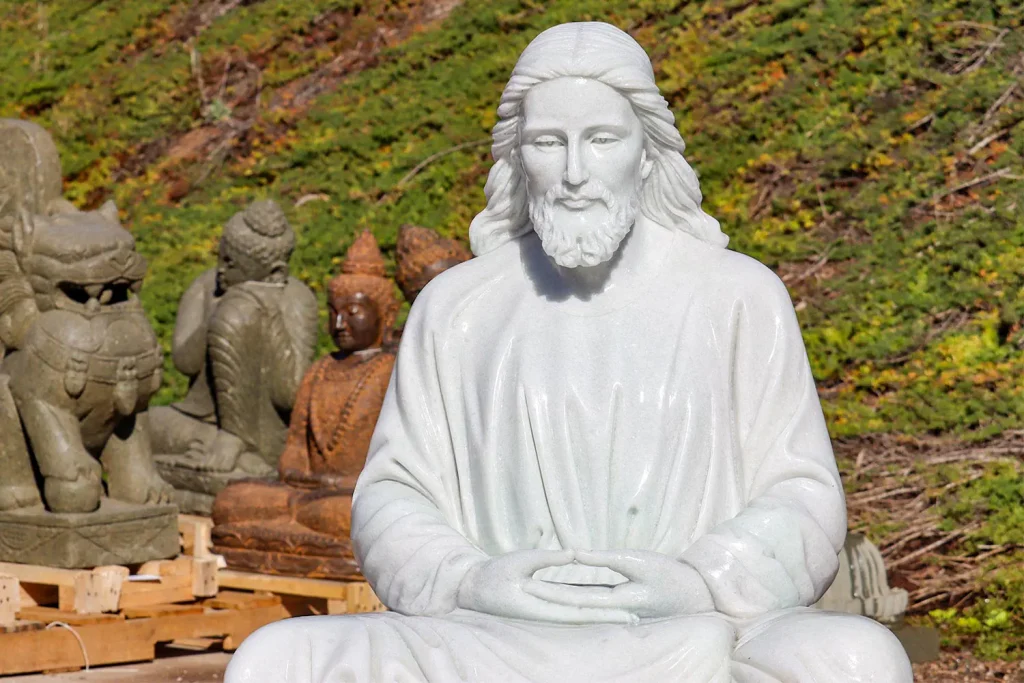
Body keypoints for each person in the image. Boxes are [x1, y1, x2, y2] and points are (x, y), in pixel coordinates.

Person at [226, 22, 913, 682]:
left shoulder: (738, 297)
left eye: (603, 138)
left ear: (646, 151)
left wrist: (701, 577)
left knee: (858, 660)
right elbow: (393, 496)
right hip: (491, 637)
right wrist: (470, 575)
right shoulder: (457, 308)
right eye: (550, 142)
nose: (576, 171)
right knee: (277, 661)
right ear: (517, 156)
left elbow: (805, 496)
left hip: (691, 633)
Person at [210, 231, 399, 579]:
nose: (340, 323)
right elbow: (295, 446)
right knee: (232, 502)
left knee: (346, 515)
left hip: (350, 496)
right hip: (305, 496)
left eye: (353, 312)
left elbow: (395, 458)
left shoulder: (393, 371)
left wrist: (339, 482)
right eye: (334, 312)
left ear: (386, 316)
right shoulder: (320, 369)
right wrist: (298, 471)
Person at [150, 199, 318, 513]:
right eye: (222, 257)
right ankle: (231, 461)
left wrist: (265, 315)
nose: (223, 269)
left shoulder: (297, 299)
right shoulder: (206, 286)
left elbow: (291, 393)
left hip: (266, 432)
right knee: (140, 428)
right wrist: (214, 314)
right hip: (199, 424)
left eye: (233, 263)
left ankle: (238, 447)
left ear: (274, 271)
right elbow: (184, 362)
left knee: (238, 313)